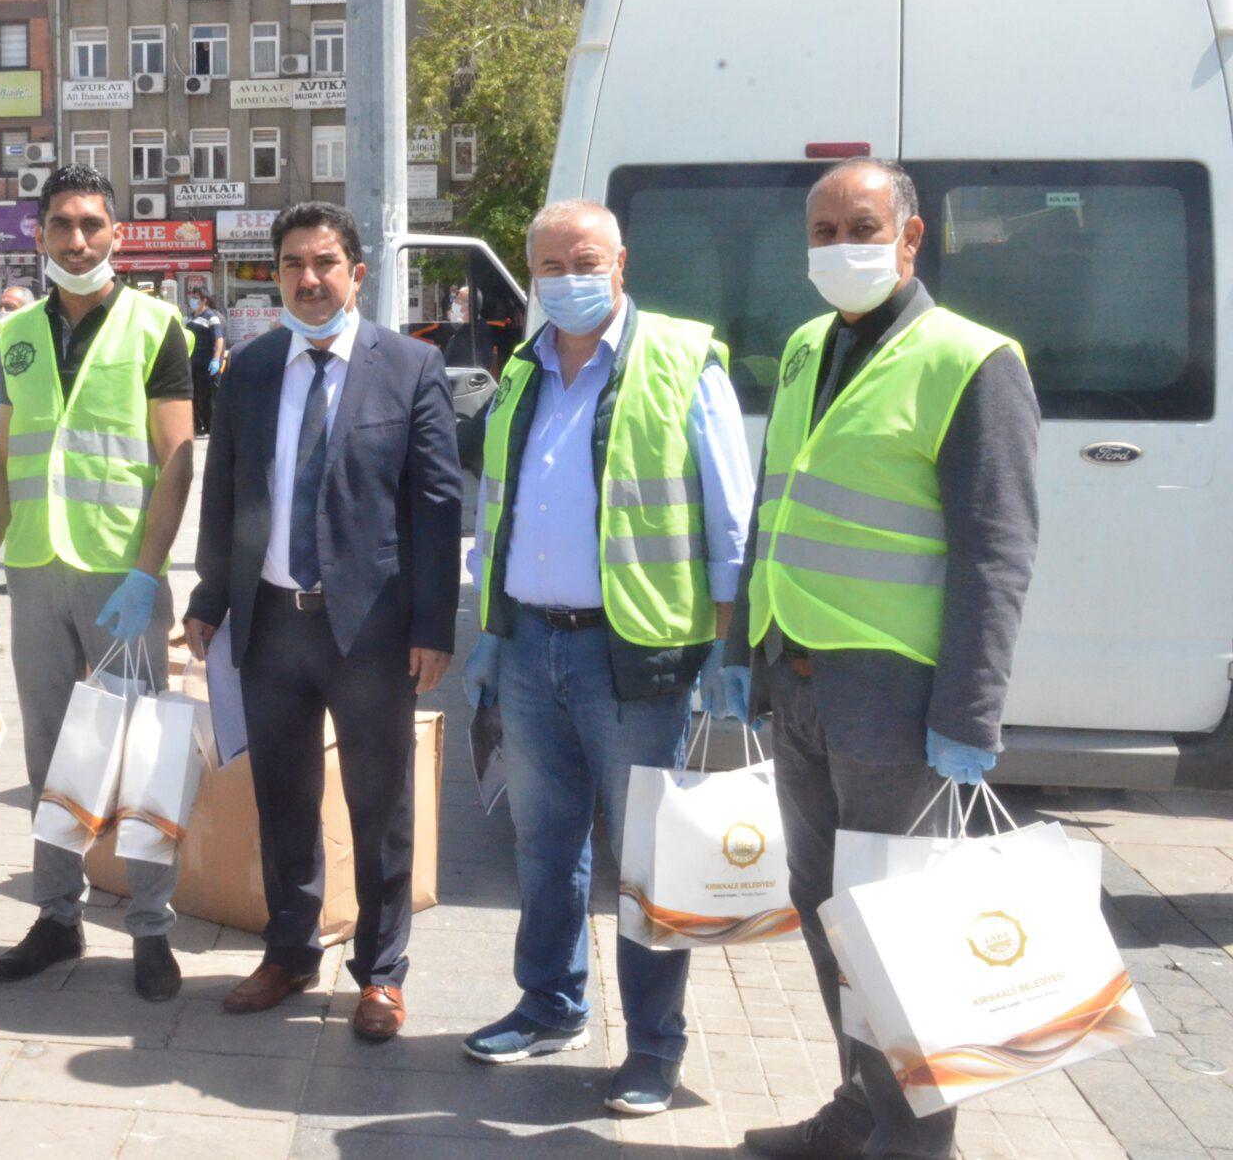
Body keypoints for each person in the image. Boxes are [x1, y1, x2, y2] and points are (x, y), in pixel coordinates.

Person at [720, 160, 1038, 1159]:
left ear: (908, 240)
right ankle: (859, 1108)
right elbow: (776, 508)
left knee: (897, 937)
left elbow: (998, 547)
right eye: (819, 231)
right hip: (797, 681)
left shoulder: (972, 360)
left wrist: (968, 715)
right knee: (827, 921)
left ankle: (914, 1142)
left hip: (895, 704)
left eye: (858, 226)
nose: (835, 247)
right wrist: (740, 650)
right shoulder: (809, 344)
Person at [453, 200, 755, 1113]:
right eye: (547, 264)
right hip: (531, 643)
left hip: (640, 658)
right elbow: (499, 511)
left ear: (620, 262)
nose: (565, 278)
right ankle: (550, 1005)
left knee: (647, 862)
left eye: (582, 259)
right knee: (543, 848)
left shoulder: (681, 359)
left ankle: (656, 1046)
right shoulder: (522, 370)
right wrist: (493, 634)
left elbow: (729, 522)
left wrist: (727, 649)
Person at [182, 201, 462, 1043]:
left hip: (369, 632)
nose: (310, 278)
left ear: (357, 274)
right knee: (283, 799)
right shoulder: (252, 368)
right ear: (277, 274)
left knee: (380, 805)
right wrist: (207, 598)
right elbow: (226, 490)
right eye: (294, 263)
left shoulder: (410, 368)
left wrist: (433, 626)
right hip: (271, 627)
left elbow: (438, 506)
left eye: (327, 262)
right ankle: (291, 949)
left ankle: (379, 972)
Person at [0, 165, 196, 1001]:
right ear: (39, 235)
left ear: (117, 234)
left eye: (93, 224)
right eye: (61, 225)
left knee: (140, 757)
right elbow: (1, 459)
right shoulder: (16, 336)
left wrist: (148, 573)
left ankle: (150, 930)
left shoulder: (155, 326)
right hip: (39, 571)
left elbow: (176, 460)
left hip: (118, 577)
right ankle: (57, 917)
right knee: (50, 756)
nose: (77, 239)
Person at [184, 289, 225, 437]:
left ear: (204, 300)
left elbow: (219, 339)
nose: (193, 301)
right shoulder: (189, 318)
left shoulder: (211, 317)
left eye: (196, 298)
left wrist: (216, 359)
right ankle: (196, 426)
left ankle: (210, 427)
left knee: (207, 397)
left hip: (207, 364)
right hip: (192, 363)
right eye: (191, 298)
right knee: (194, 396)